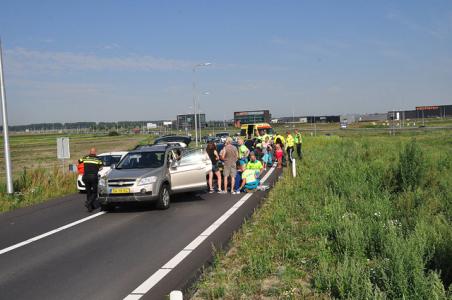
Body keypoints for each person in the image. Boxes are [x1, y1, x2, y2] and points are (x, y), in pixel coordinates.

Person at [79, 147, 103, 212]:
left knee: (88, 192)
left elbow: (79, 161)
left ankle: (90, 208)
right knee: (94, 193)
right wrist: (97, 169)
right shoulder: (98, 159)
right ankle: (88, 203)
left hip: (85, 177)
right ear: (95, 152)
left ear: (90, 152)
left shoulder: (85, 157)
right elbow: (101, 167)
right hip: (93, 177)